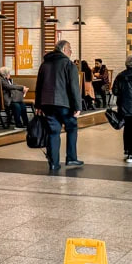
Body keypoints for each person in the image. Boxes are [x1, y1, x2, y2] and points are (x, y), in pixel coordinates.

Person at [35, 40, 83, 170]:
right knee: (72, 128)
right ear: (63, 50)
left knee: (53, 132)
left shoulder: (44, 64)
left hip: (47, 104)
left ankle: (53, 163)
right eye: (70, 48)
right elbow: (74, 88)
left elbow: (39, 86)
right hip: (64, 104)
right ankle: (71, 158)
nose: (71, 51)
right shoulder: (69, 64)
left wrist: (38, 105)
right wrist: (78, 106)